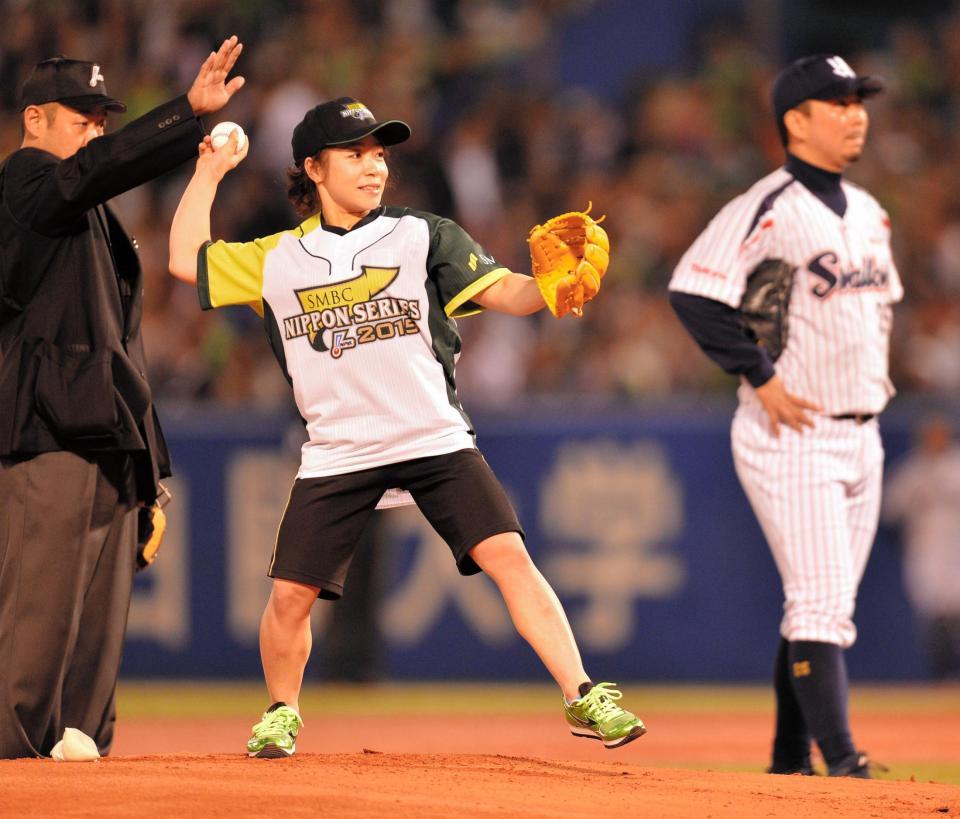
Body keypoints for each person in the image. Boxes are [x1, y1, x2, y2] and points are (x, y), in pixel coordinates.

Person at [168, 96, 645, 758]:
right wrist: (210, 174)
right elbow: (187, 260)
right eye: (354, 153)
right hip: (338, 449)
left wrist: (547, 283)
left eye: (380, 153)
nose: (374, 166)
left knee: (508, 554)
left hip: (431, 435)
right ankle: (281, 710)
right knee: (290, 597)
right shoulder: (276, 259)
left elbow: (506, 291)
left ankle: (583, 692)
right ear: (313, 167)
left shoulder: (423, 235)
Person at [0, 38, 245, 759]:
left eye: (102, 116)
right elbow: (90, 175)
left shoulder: (90, 214)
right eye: (81, 115)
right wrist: (187, 115)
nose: (95, 127)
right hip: (49, 428)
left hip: (109, 433)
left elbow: (119, 349)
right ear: (35, 118)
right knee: (40, 614)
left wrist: (150, 468)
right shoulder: (26, 185)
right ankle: (13, 762)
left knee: (97, 626)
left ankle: (81, 758)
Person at [668, 55, 900, 778]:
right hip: (793, 432)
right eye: (838, 102)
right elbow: (692, 291)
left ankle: (787, 758)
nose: (856, 111)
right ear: (795, 121)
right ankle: (844, 763)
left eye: (859, 99)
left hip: (864, 433)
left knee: (818, 606)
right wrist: (757, 372)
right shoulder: (767, 204)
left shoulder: (867, 210)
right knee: (821, 605)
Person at [883, 415, 960, 680]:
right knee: (931, 611)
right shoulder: (913, 470)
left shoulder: (956, 465)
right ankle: (942, 675)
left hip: (956, 548)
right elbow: (889, 511)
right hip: (925, 548)